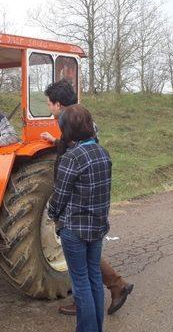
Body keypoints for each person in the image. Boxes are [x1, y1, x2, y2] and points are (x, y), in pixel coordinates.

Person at [41, 81, 133, 316]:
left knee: (79, 259)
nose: (49, 108)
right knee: (84, 258)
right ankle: (112, 289)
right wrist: (55, 142)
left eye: (49, 104)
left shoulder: (76, 123)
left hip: (80, 197)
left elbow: (78, 152)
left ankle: (111, 290)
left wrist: (55, 210)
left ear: (58, 104)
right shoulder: (78, 119)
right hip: (88, 196)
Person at [48, 104, 111, 332]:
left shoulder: (71, 158)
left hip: (74, 229)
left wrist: (53, 216)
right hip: (97, 228)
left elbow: (59, 196)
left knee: (81, 281)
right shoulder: (102, 152)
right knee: (94, 277)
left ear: (68, 130)